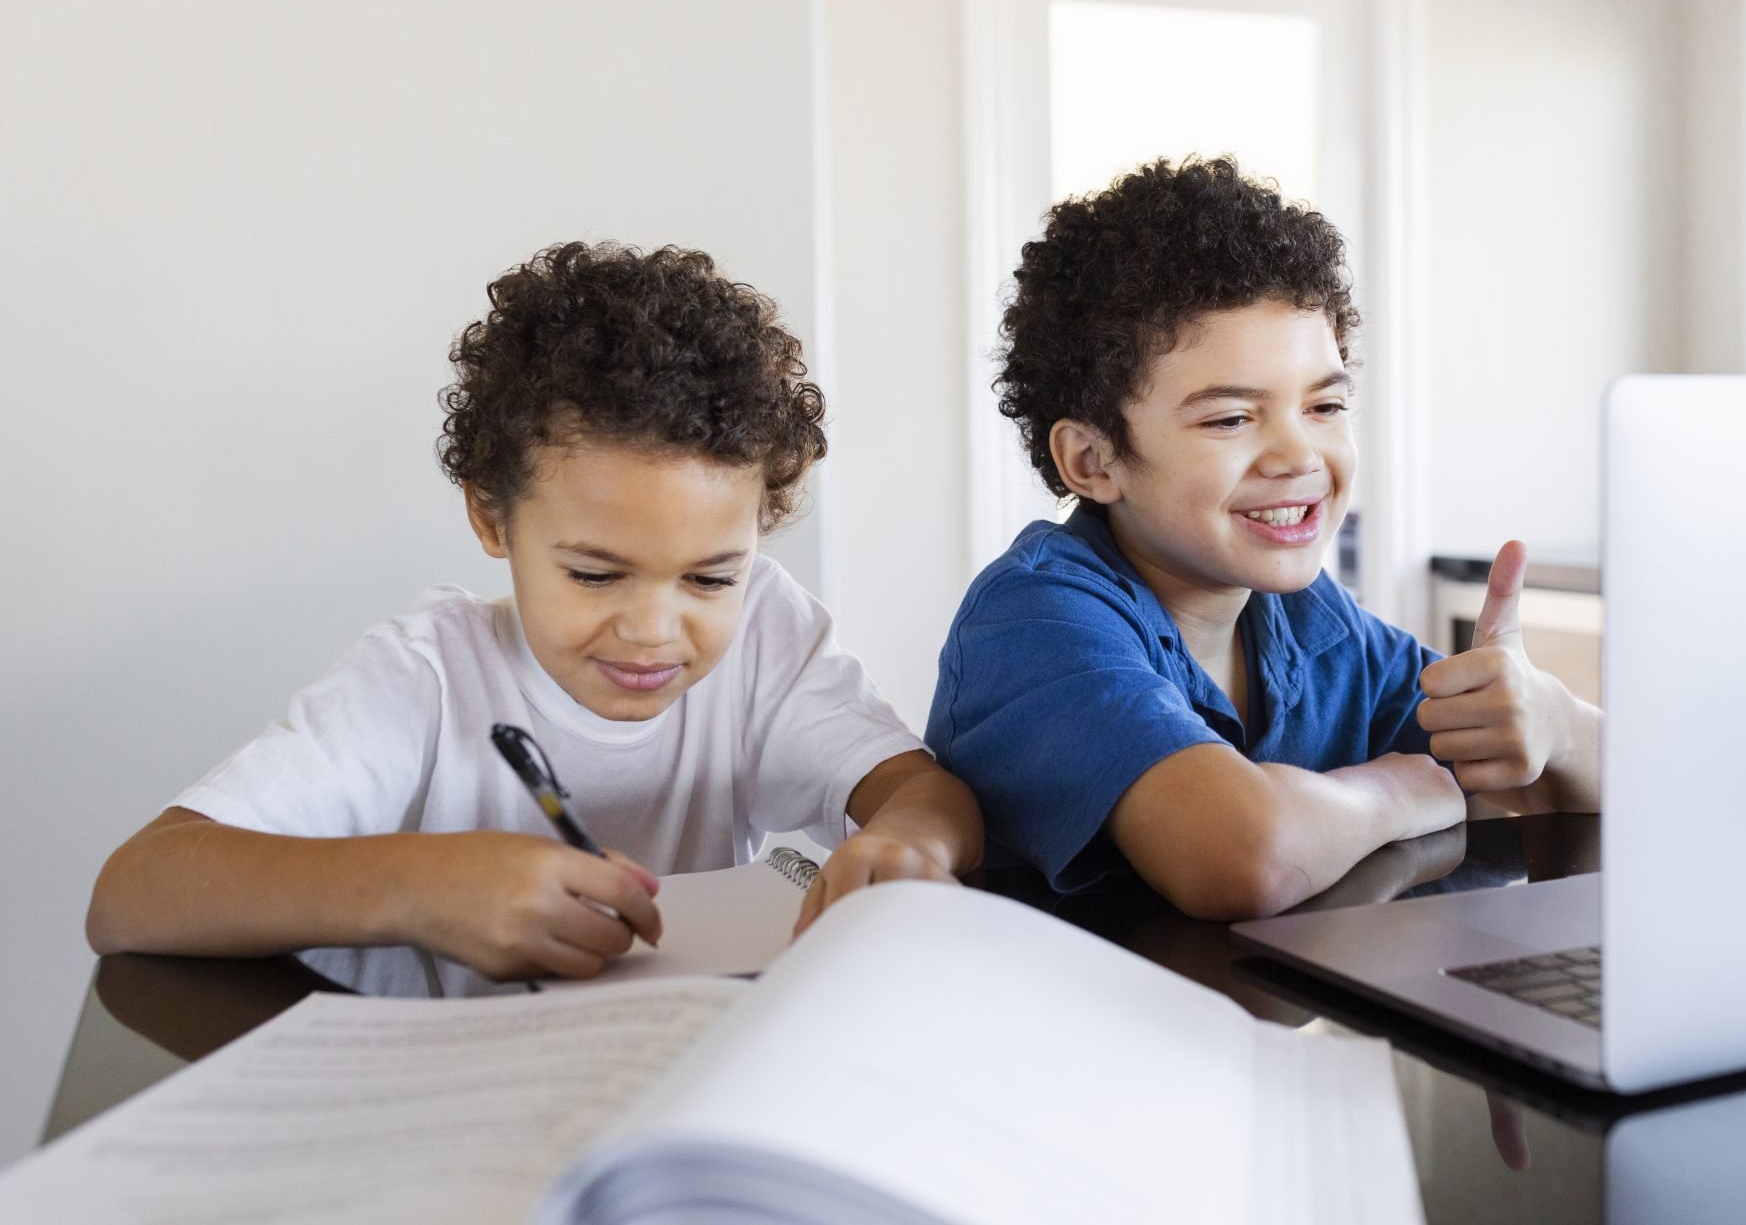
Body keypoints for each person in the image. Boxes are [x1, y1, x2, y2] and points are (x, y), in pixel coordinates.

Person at [89, 241, 983, 982]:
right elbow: (133, 891)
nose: (652, 630)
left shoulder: (766, 638)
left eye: (711, 579)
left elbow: (921, 792)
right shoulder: (426, 679)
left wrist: (906, 843)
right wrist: (414, 886)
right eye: (596, 576)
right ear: (491, 517)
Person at [926, 157, 1599, 919]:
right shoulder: (1033, 620)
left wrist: (1558, 724)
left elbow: (1602, 790)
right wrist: (1406, 787)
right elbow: (1249, 856)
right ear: (1093, 460)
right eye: (1231, 418)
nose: (1299, 457)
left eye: (1324, 407)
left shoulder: (1312, 621)